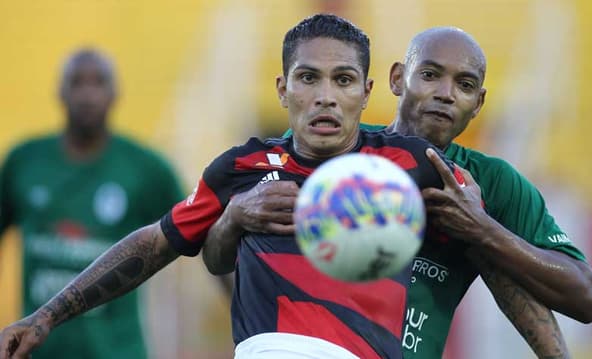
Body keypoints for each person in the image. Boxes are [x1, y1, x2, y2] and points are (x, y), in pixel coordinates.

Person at [0, 15, 458, 359]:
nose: (325, 96)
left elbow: (485, 237)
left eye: (343, 80)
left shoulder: (410, 165)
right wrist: (46, 316)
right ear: (282, 89)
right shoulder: (243, 167)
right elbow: (157, 243)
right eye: (307, 78)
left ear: (366, 90)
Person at [203, 27, 592, 358]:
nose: (445, 93)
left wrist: (482, 230)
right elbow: (228, 250)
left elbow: (583, 296)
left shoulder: (490, 182)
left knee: (490, 248)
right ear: (397, 79)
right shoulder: (328, 151)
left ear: (478, 103)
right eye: (429, 75)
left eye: (464, 85)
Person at [0, 49, 184, 359]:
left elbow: (202, 231)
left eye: (98, 83)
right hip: (40, 351)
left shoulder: (147, 169)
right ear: (60, 92)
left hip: (118, 351)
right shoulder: (23, 161)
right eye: (76, 83)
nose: (87, 94)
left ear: (114, 94)